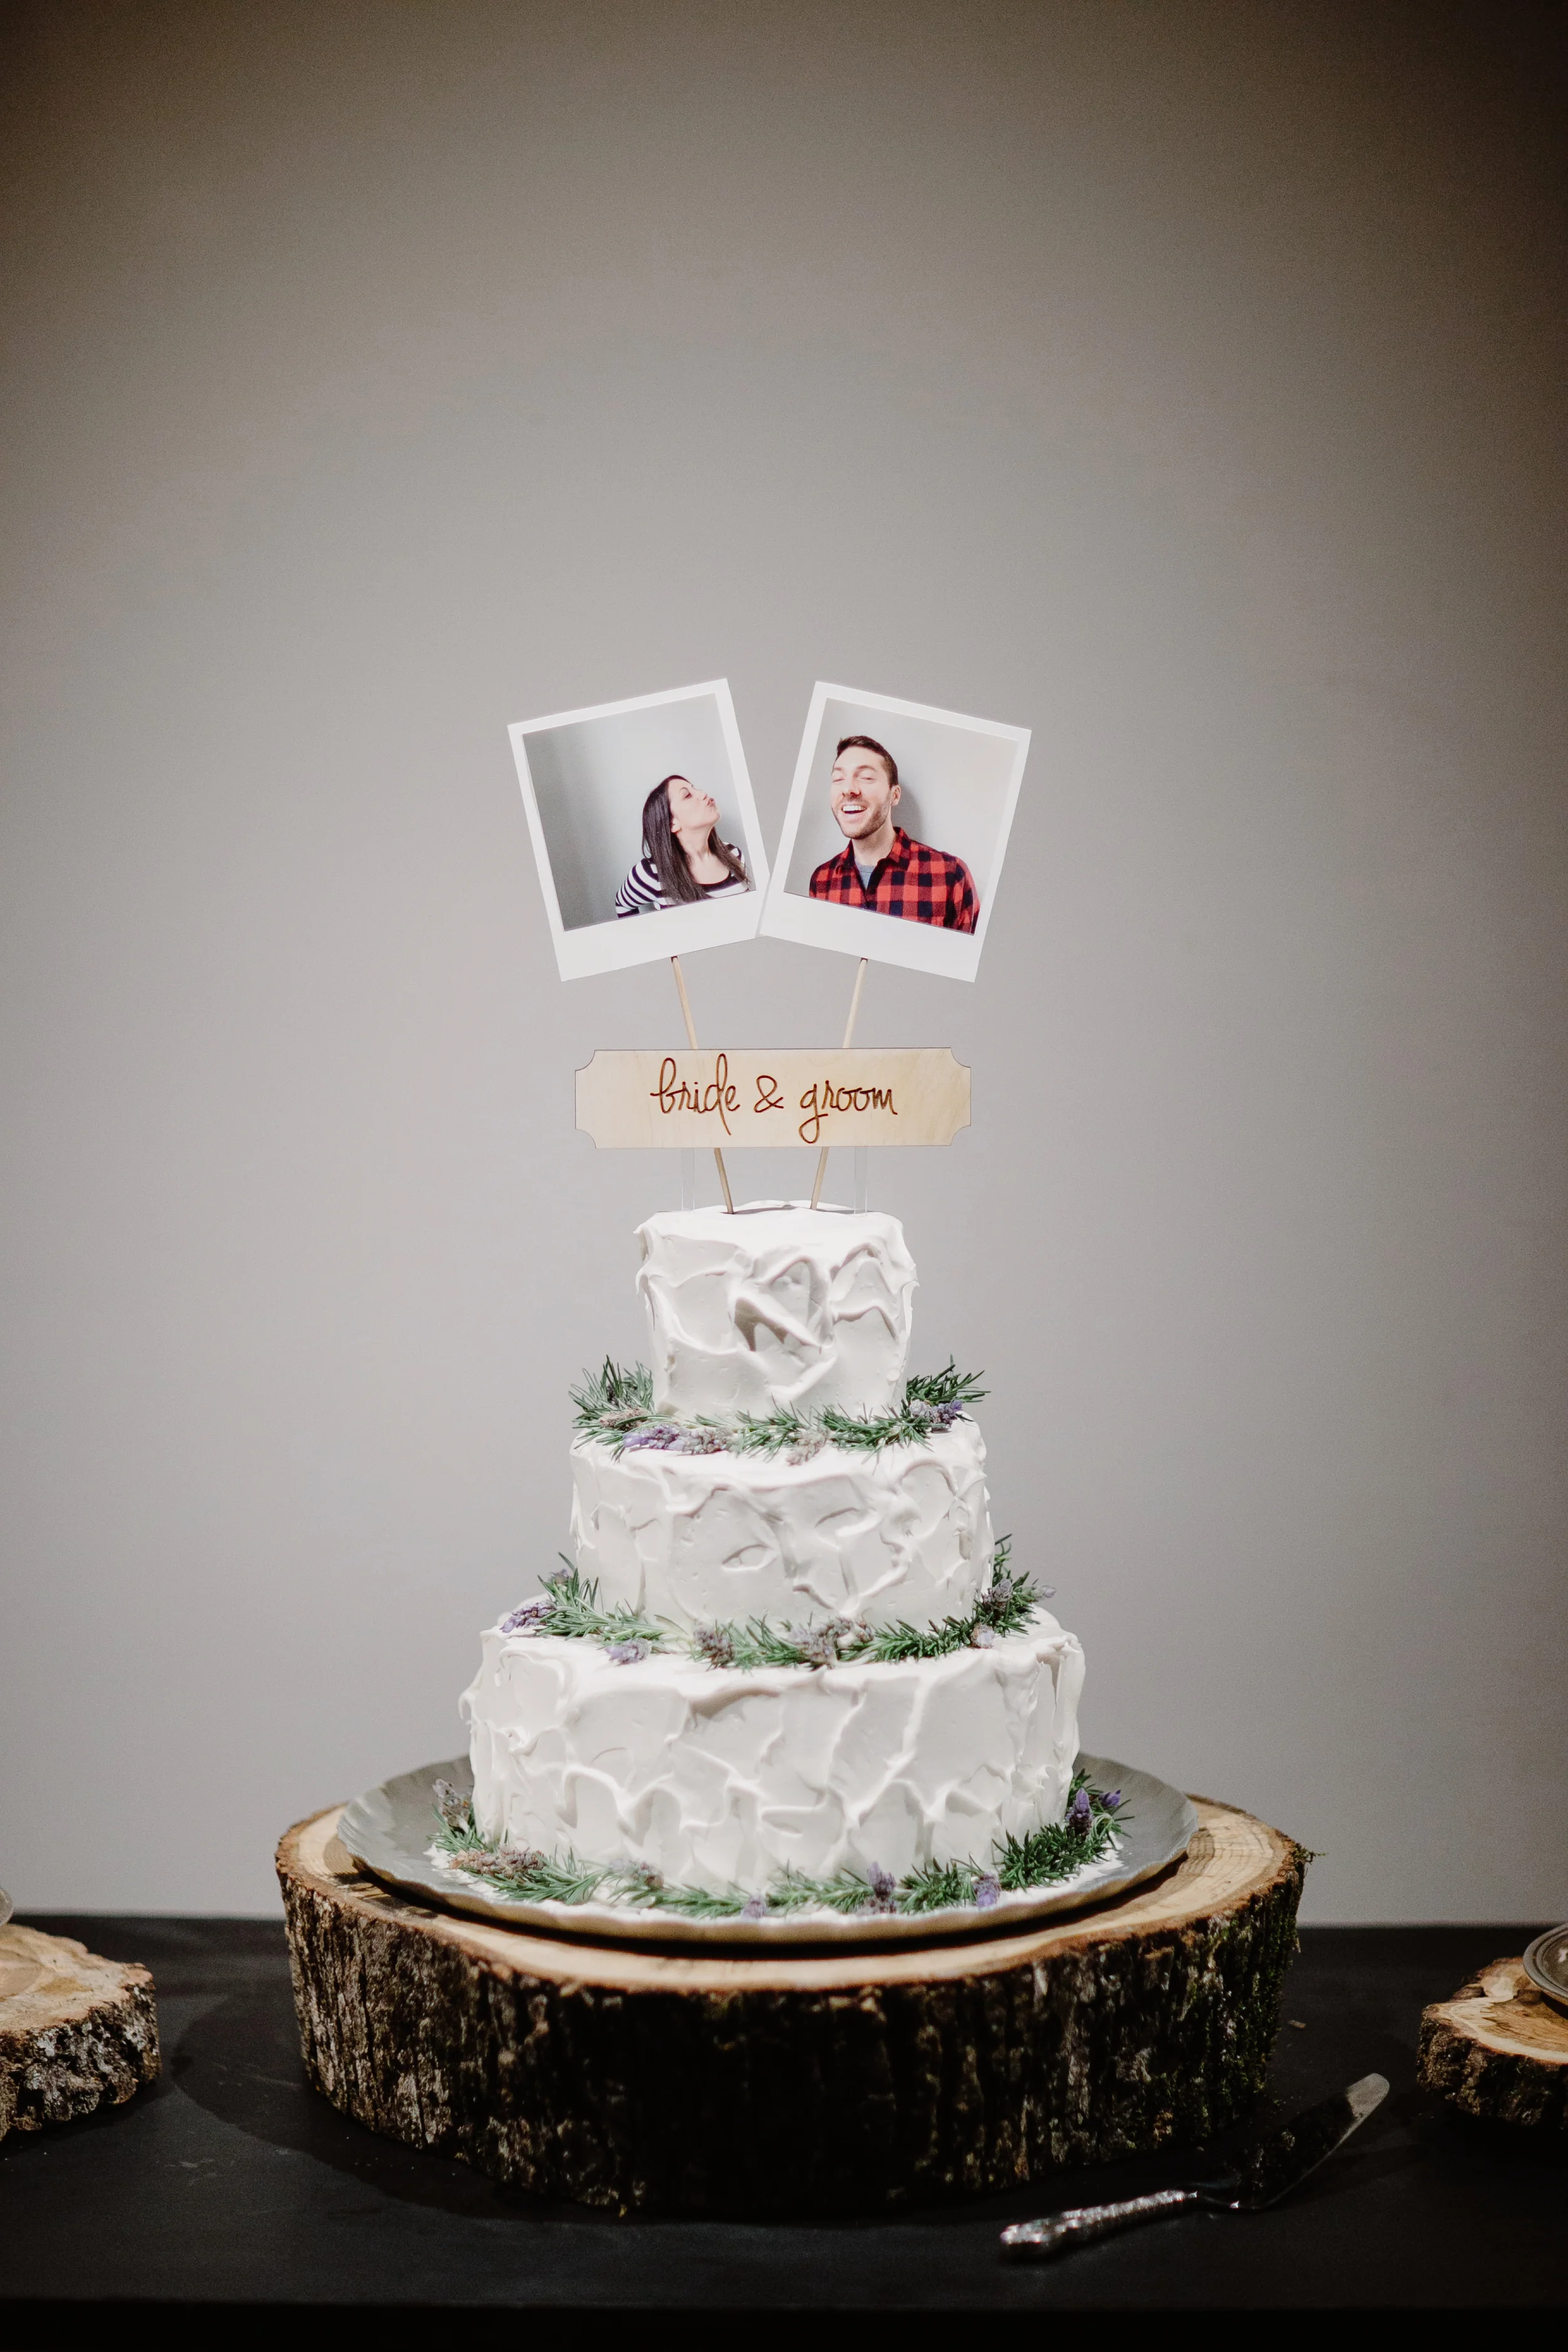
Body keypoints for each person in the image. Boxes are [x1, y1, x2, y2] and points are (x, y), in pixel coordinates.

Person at [807, 736, 977, 931]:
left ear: (894, 796)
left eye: (866, 778)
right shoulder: (822, 881)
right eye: (838, 779)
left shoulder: (950, 876)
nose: (848, 789)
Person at [614, 774, 751, 916]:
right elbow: (622, 904)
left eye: (696, 789)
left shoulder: (733, 854)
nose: (703, 794)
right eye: (687, 796)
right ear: (672, 823)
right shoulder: (651, 873)